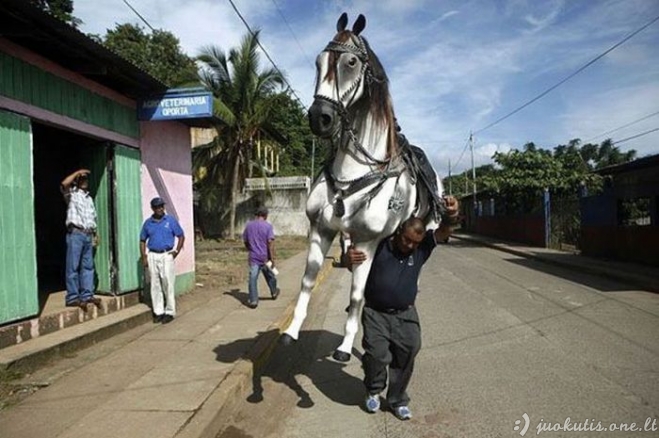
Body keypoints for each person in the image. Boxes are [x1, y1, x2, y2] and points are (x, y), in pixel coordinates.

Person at [347, 196, 460, 421]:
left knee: (409, 350)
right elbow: (352, 261)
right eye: (407, 240)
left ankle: (397, 399)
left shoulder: (420, 249)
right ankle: (374, 389)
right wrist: (347, 257)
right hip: (375, 313)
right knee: (378, 355)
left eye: (415, 243)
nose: (410, 246)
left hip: (405, 314)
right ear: (399, 232)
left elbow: (444, 231)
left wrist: (452, 213)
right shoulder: (379, 245)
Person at [140, 197, 185, 324]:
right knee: (155, 284)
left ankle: (169, 311)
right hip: (153, 255)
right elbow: (142, 240)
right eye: (157, 207)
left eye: (161, 206)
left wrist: (176, 251)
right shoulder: (148, 223)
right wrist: (144, 256)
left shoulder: (170, 220)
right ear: (153, 208)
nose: (160, 209)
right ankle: (158, 311)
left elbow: (181, 236)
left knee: (167, 283)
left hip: (166, 254)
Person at [61, 168, 101, 311]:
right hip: (76, 234)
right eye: (81, 179)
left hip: (88, 234)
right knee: (73, 266)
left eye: (85, 179)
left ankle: (87, 295)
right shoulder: (71, 194)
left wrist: (95, 234)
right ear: (77, 181)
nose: (84, 181)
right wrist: (77, 172)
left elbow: (92, 218)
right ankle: (72, 297)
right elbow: (64, 183)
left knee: (88, 266)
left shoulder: (89, 198)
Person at [242, 206, 280, 309]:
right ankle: (274, 292)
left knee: (253, 278)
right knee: (270, 276)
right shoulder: (268, 226)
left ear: (257, 215)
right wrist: (272, 259)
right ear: (265, 215)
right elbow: (270, 243)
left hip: (254, 257)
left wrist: (250, 249)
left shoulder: (249, 226)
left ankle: (253, 300)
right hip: (265, 258)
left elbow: (245, 241)